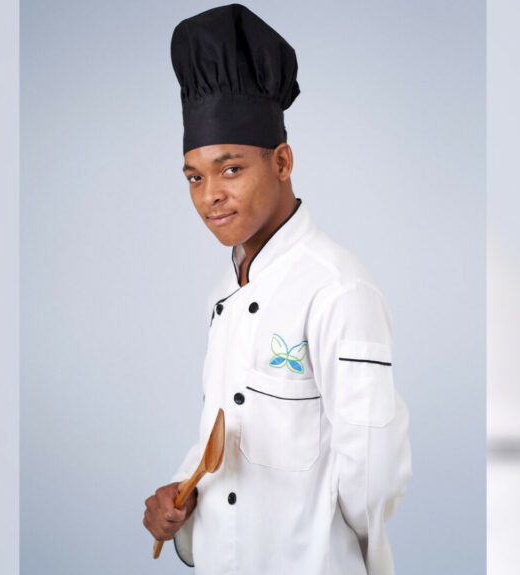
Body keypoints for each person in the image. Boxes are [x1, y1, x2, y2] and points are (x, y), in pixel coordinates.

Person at [143, 4, 412, 574]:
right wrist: (181, 493)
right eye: (194, 176)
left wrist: (313, 542)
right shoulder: (229, 288)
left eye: (231, 169)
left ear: (282, 161)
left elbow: (373, 474)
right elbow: (224, 429)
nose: (210, 195)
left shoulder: (337, 289)